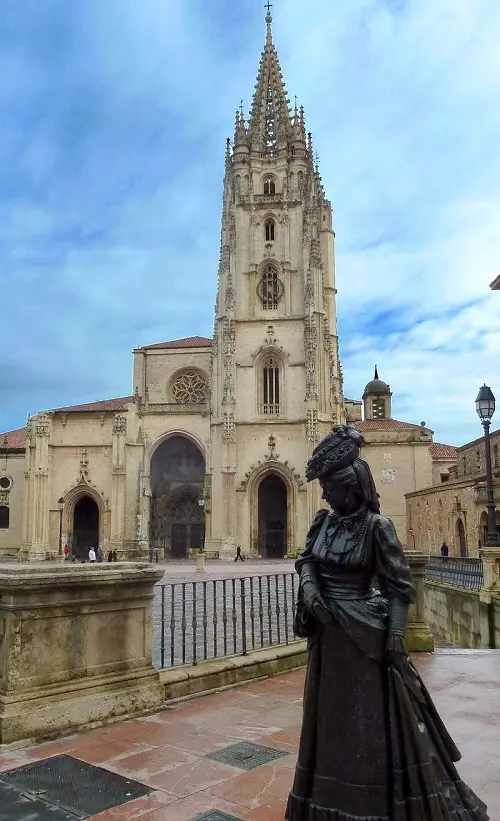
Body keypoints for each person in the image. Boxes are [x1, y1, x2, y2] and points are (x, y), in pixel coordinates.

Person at [286, 425, 488, 821]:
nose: (323, 493)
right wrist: (309, 589)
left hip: (366, 637)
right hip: (329, 641)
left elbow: (398, 587)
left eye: (330, 486)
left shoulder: (377, 528)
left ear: (350, 487)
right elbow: (307, 560)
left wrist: (396, 634)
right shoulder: (323, 523)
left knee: (370, 722)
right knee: (331, 721)